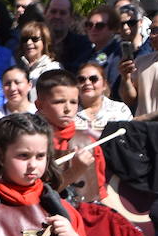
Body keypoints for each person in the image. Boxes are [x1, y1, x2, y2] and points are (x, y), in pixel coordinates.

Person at [36, 69, 106, 206]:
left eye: (74, 102)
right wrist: (75, 171)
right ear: (39, 105)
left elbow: (100, 192)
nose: (68, 108)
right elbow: (35, 192)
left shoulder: (88, 143)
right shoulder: (26, 142)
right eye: (59, 102)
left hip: (83, 217)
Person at [79, 5, 122, 91]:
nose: (93, 29)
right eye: (89, 25)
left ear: (113, 28)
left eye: (99, 26)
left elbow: (114, 89)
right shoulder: (84, 53)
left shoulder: (118, 55)